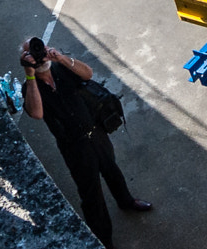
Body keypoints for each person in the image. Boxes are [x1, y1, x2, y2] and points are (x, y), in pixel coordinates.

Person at [19, 36, 151, 247]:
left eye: (41, 48)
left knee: (112, 169)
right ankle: (103, 240)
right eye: (33, 53)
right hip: (74, 147)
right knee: (91, 193)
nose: (40, 55)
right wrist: (30, 75)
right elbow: (36, 113)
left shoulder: (61, 69)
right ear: (26, 59)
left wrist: (62, 59)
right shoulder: (30, 88)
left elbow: (87, 74)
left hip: (96, 132)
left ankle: (126, 201)